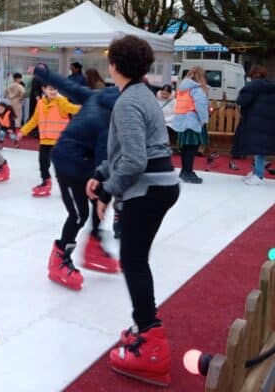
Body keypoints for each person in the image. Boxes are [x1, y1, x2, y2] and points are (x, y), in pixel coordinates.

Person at [85, 35, 179, 387]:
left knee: (134, 260)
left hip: (149, 188)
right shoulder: (143, 94)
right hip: (159, 185)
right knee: (136, 259)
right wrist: (103, 175)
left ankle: (152, 343)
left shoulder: (128, 101)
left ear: (114, 66)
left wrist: (107, 190)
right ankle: (145, 327)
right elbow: (130, 152)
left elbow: (136, 159)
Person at [33, 64, 121, 290]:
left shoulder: (98, 96)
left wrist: (44, 73)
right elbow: (104, 158)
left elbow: (67, 86)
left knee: (100, 198)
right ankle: (59, 257)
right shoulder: (111, 120)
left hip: (85, 161)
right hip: (68, 163)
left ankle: (93, 243)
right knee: (79, 214)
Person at [18, 82, 80, 197]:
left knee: (61, 165)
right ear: (44, 89)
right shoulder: (40, 103)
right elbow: (34, 120)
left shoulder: (61, 102)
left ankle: (70, 184)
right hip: (45, 141)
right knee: (43, 163)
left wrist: (86, 108)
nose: (53, 92)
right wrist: (23, 131)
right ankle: (46, 182)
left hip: (59, 142)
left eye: (55, 89)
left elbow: (72, 108)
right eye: (50, 89)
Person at [233, 66, 275, 186]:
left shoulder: (253, 85)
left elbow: (241, 100)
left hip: (254, 119)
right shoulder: (271, 86)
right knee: (260, 148)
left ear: (252, 75)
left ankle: (258, 175)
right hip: (266, 121)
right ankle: (256, 172)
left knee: (257, 148)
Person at [172, 66, 209, 184]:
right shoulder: (197, 89)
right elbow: (201, 106)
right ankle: (188, 172)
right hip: (193, 121)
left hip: (182, 120)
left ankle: (184, 171)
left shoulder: (183, 88)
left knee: (185, 147)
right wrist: (204, 120)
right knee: (192, 148)